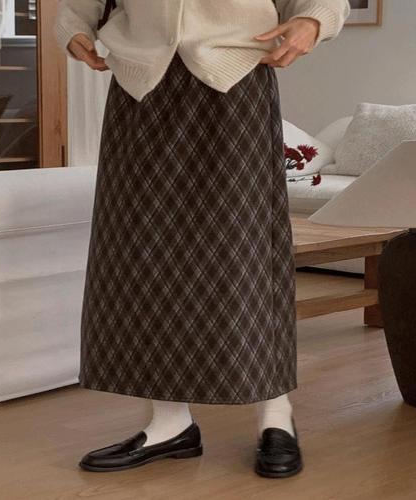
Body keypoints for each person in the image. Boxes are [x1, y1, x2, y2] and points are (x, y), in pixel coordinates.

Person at [55, 0, 350, 478]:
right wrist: (72, 27)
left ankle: (276, 416)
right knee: (143, 252)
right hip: (139, 88)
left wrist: (314, 20)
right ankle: (170, 423)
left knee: (245, 252)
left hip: (235, 82)